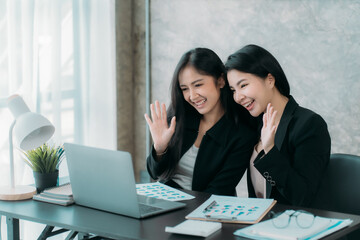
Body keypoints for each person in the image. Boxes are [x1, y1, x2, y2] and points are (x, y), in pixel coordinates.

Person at [225, 44, 331, 206]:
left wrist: (270, 150)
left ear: (269, 80)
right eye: (233, 90)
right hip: (257, 224)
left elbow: (303, 197)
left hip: (295, 224)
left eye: (243, 85)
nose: (238, 97)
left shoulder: (309, 125)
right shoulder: (253, 124)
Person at [145, 48, 256, 196]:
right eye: (184, 88)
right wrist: (159, 148)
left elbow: (219, 190)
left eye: (198, 85)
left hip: (205, 210)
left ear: (221, 80)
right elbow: (154, 173)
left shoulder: (241, 134)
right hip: (165, 202)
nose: (192, 96)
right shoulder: (178, 118)